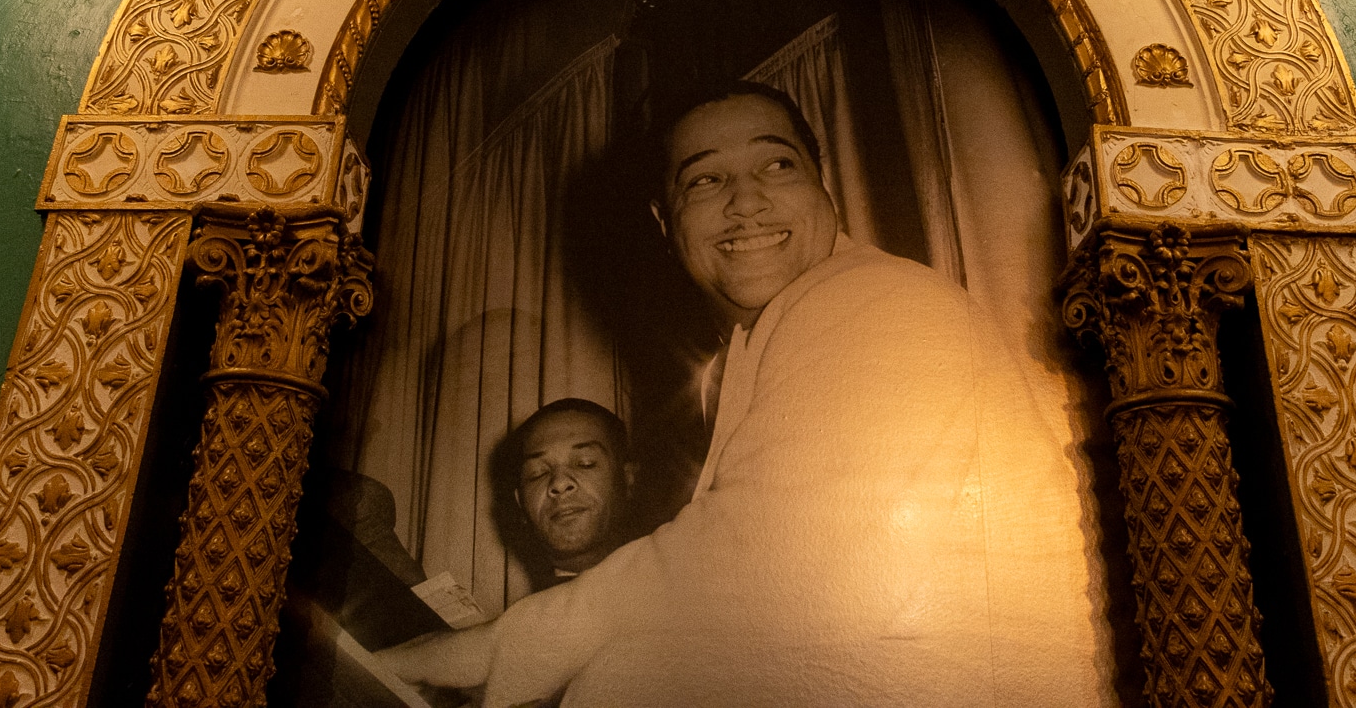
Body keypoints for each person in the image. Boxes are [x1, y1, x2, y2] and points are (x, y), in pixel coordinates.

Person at [385, 80, 1093, 707]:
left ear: (827, 190)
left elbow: (738, 566)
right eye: (703, 181)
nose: (745, 201)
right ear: (667, 225)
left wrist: (462, 655)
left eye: (777, 164)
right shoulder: (772, 333)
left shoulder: (879, 300)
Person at [504, 399, 637, 582]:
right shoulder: (524, 611)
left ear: (629, 480)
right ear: (521, 504)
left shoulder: (678, 579)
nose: (559, 483)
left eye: (585, 463)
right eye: (538, 473)